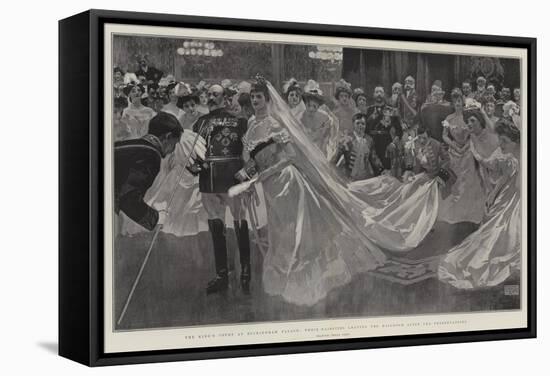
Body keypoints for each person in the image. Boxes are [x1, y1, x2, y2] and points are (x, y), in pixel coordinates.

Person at [232, 77, 386, 306]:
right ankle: (283, 272)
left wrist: (264, 174)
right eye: (253, 97)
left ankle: (300, 272)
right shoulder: (252, 126)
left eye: (259, 97)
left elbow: (291, 156)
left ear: (267, 99)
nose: (255, 101)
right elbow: (251, 159)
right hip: (269, 186)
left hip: (286, 181)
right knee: (279, 230)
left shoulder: (276, 124)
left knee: (294, 228)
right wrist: (246, 175)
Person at [438, 119, 521, 289]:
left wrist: (495, 196)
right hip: (509, 197)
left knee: (504, 231)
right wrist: (492, 196)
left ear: (515, 141)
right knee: (493, 229)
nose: (501, 144)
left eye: (505, 141)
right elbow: (504, 177)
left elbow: (509, 179)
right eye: (501, 140)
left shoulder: (520, 157)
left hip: (517, 201)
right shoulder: (510, 158)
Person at [188, 84, 251, 295]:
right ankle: (222, 275)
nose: (211, 98)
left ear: (225, 98)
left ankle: (246, 271)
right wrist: (194, 164)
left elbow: (249, 151)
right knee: (216, 226)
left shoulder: (240, 122)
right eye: (209, 94)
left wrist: (248, 175)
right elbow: (196, 151)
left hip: (233, 176)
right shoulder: (199, 123)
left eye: (216, 94)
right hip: (208, 179)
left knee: (240, 221)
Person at [114, 112, 184, 231]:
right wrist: (155, 218)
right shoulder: (150, 155)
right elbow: (128, 196)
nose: (172, 151)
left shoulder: (128, 146)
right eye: (175, 143)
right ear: (167, 137)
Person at [438, 90, 485, 224]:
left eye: (460, 101)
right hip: (454, 152)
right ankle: (456, 212)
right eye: (456, 102)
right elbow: (444, 135)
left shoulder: (468, 117)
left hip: (467, 151)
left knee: (468, 181)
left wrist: (464, 148)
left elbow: (473, 134)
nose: (458, 104)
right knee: (456, 181)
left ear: (463, 103)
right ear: (453, 103)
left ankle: (468, 211)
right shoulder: (449, 119)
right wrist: (454, 146)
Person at [331, 113, 384, 181]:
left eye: (363, 124)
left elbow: (374, 157)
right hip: (349, 178)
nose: (360, 126)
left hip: (366, 177)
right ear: (353, 124)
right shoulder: (346, 138)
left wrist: (381, 168)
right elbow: (335, 158)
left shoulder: (369, 139)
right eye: (358, 123)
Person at [300, 80, 338, 159]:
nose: (311, 109)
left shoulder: (325, 117)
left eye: (314, 106)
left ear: (318, 106)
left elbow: (329, 138)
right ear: (305, 104)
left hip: (321, 151)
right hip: (305, 151)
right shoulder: (300, 117)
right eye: (308, 105)